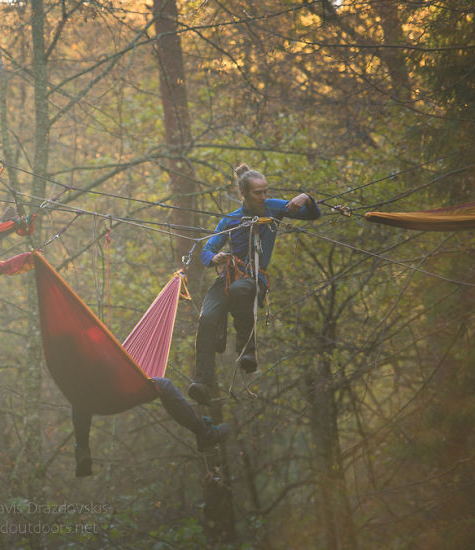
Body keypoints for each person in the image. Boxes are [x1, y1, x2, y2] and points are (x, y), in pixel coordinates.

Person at [187, 164, 321, 406]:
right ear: (244, 193)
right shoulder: (230, 220)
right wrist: (214, 258)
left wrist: (305, 198)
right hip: (228, 276)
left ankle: (247, 350)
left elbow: (312, 215)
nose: (263, 197)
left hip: (253, 278)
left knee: (240, 290)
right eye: (258, 192)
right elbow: (207, 249)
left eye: (265, 191)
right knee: (206, 318)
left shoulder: (273, 209)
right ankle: (202, 382)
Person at [72, 377, 229, 477]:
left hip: (90, 395)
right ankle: (205, 433)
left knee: (78, 393)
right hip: (113, 390)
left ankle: (82, 450)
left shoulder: (65, 358)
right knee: (164, 386)